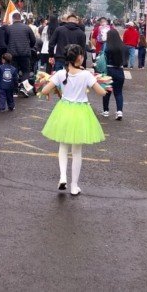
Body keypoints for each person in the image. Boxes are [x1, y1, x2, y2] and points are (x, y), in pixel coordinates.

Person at [39, 44, 108, 196]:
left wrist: (52, 84)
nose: (83, 57)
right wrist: (105, 85)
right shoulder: (86, 75)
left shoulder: (61, 74)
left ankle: (63, 176)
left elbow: (44, 90)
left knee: (63, 146)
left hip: (64, 110)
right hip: (81, 112)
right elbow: (102, 92)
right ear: (79, 58)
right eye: (82, 55)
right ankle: (74, 186)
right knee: (77, 151)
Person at [4, 12, 36, 97]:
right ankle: (23, 88)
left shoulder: (8, 28)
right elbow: (33, 40)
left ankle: (14, 90)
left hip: (12, 54)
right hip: (25, 53)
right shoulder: (27, 28)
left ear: (13, 19)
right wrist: (30, 47)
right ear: (20, 19)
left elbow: (6, 41)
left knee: (14, 71)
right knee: (26, 71)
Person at [102, 29, 128, 120]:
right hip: (119, 70)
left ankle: (106, 111)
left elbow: (102, 57)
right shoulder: (123, 46)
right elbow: (126, 61)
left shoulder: (106, 45)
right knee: (118, 92)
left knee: (107, 91)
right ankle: (119, 111)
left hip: (109, 69)